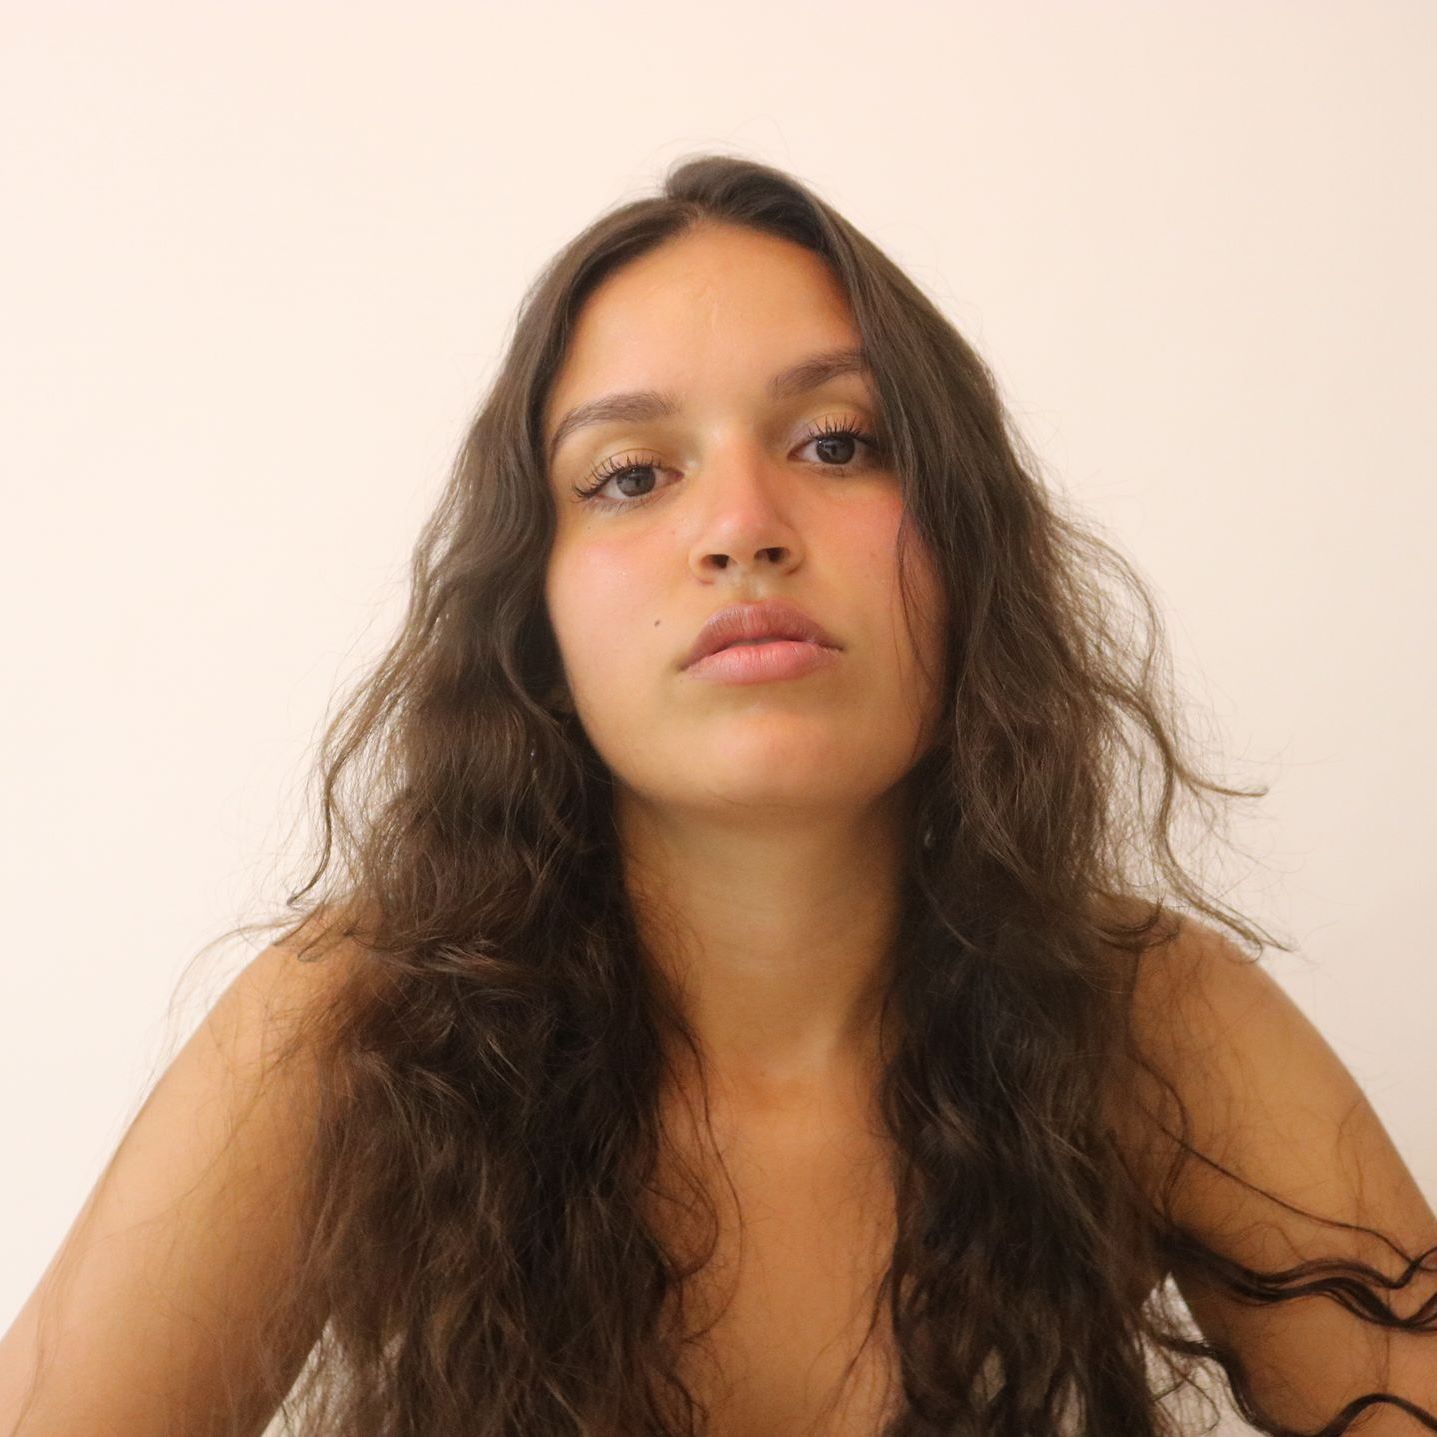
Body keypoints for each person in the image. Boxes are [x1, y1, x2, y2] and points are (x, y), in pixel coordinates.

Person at [2, 154, 1434, 1437]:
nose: (743, 526)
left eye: (837, 444)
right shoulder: (351, 1028)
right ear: (531, 615)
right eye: (631, 475)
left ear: (967, 546)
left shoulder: (1155, 1019)